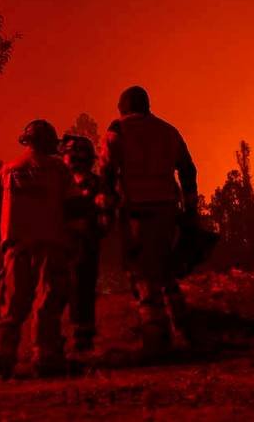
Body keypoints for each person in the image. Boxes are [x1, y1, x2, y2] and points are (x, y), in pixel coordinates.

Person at [99, 86, 199, 357]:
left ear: (123, 106)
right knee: (165, 269)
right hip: (166, 209)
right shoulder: (168, 130)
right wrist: (191, 208)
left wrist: (106, 208)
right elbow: (188, 169)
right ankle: (185, 328)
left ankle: (156, 338)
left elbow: (107, 171)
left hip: (135, 212)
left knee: (141, 273)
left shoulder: (117, 131)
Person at [0, 119, 73, 379]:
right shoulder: (58, 169)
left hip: (15, 245)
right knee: (46, 302)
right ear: (49, 142)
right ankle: (46, 358)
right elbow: (74, 206)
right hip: (50, 243)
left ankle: (4, 355)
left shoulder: (7, 170)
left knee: (12, 303)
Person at [59, 134, 109, 354]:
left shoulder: (94, 185)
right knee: (59, 290)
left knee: (83, 289)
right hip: (61, 244)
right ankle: (53, 337)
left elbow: (105, 216)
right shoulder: (59, 184)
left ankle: (82, 338)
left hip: (83, 245)